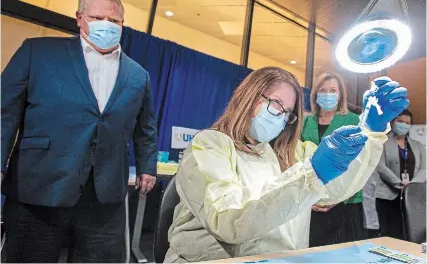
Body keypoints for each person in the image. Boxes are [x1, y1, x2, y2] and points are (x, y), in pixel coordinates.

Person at [163, 67, 408, 262]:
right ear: (248, 96)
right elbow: (228, 220)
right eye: (276, 103)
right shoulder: (208, 146)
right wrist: (312, 174)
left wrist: (371, 130)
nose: (280, 115)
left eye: (288, 111)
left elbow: (337, 187)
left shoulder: (288, 153)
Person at [1, 0, 157, 262]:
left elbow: (145, 127)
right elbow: (5, 112)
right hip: (40, 183)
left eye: (114, 21)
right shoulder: (37, 52)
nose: (106, 25)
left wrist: (147, 167)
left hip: (105, 192)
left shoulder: (138, 75)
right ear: (79, 18)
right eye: (98, 17)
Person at [301, 72, 366, 247]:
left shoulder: (353, 120)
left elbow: (359, 163)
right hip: (312, 199)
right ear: (315, 94)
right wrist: (308, 197)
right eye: (323, 90)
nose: (328, 94)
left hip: (345, 202)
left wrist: (337, 197)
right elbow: (299, 160)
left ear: (340, 95)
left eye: (333, 90)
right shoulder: (306, 121)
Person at [374, 109, 426, 239]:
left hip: (412, 197)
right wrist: (399, 183)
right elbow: (380, 166)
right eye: (400, 121)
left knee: (409, 232)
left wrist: (411, 187)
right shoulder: (383, 143)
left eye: (407, 123)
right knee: (389, 233)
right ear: (392, 122)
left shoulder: (418, 145)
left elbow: (424, 169)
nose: (404, 125)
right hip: (387, 197)